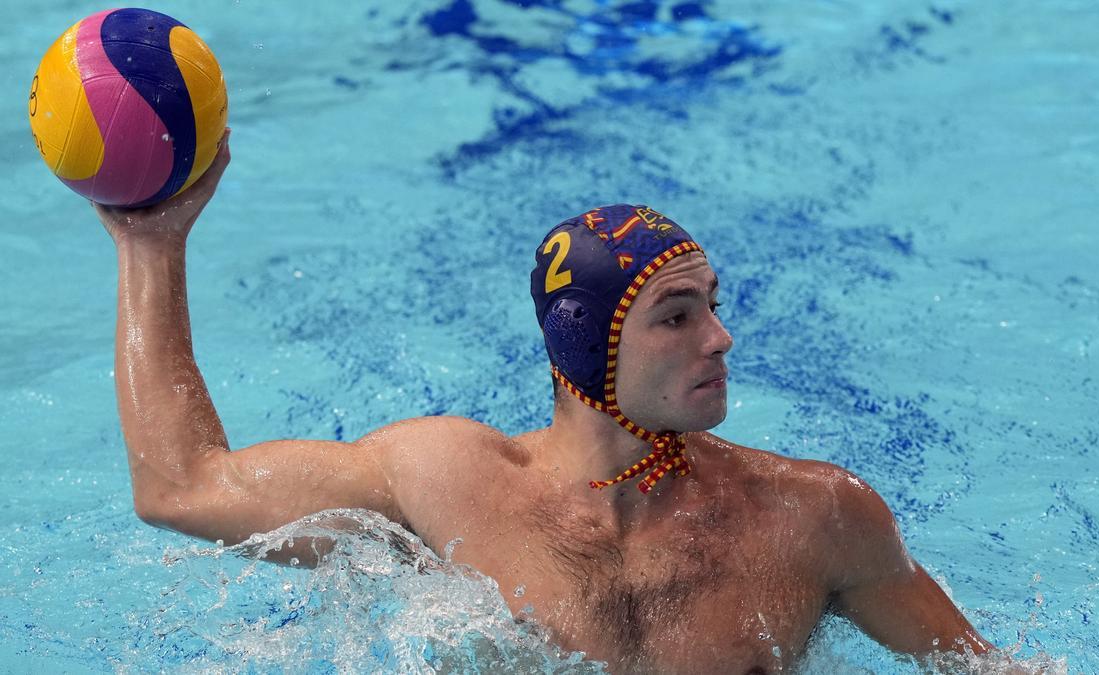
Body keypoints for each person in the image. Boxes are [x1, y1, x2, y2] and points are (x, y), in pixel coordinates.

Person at [97, 129, 994, 673]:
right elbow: (181, 486)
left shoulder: (815, 517)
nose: (719, 338)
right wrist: (151, 247)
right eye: (676, 316)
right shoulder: (441, 482)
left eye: (713, 305)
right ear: (585, 349)